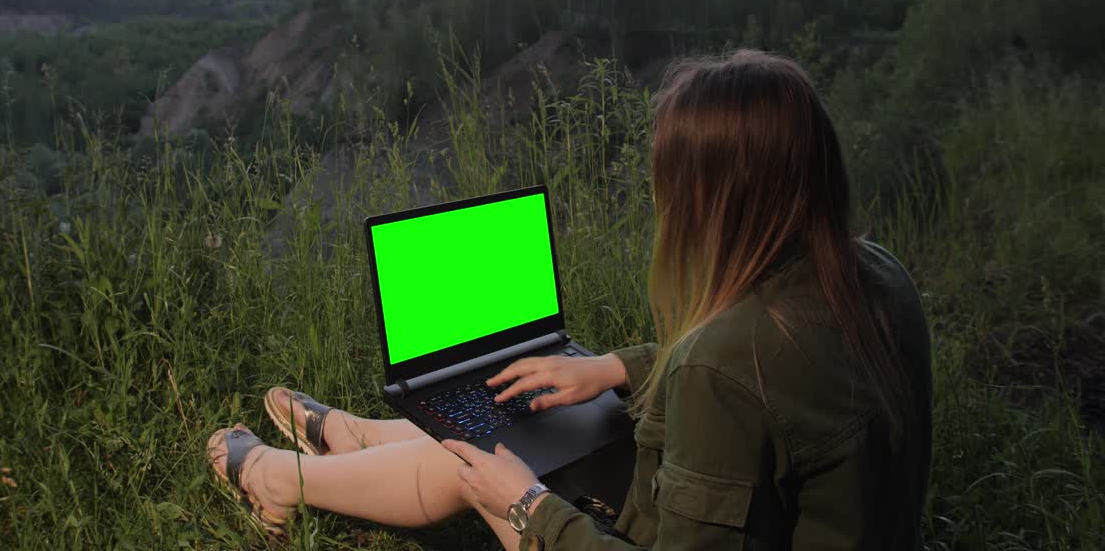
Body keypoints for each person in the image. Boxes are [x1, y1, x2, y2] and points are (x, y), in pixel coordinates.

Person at [206, 50, 933, 550]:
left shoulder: (719, 367)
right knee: (522, 424)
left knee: (480, 459)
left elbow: (730, 376)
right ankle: (354, 437)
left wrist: (528, 505)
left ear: (711, 199)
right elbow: (763, 382)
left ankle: (277, 479)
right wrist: (614, 368)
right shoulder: (878, 278)